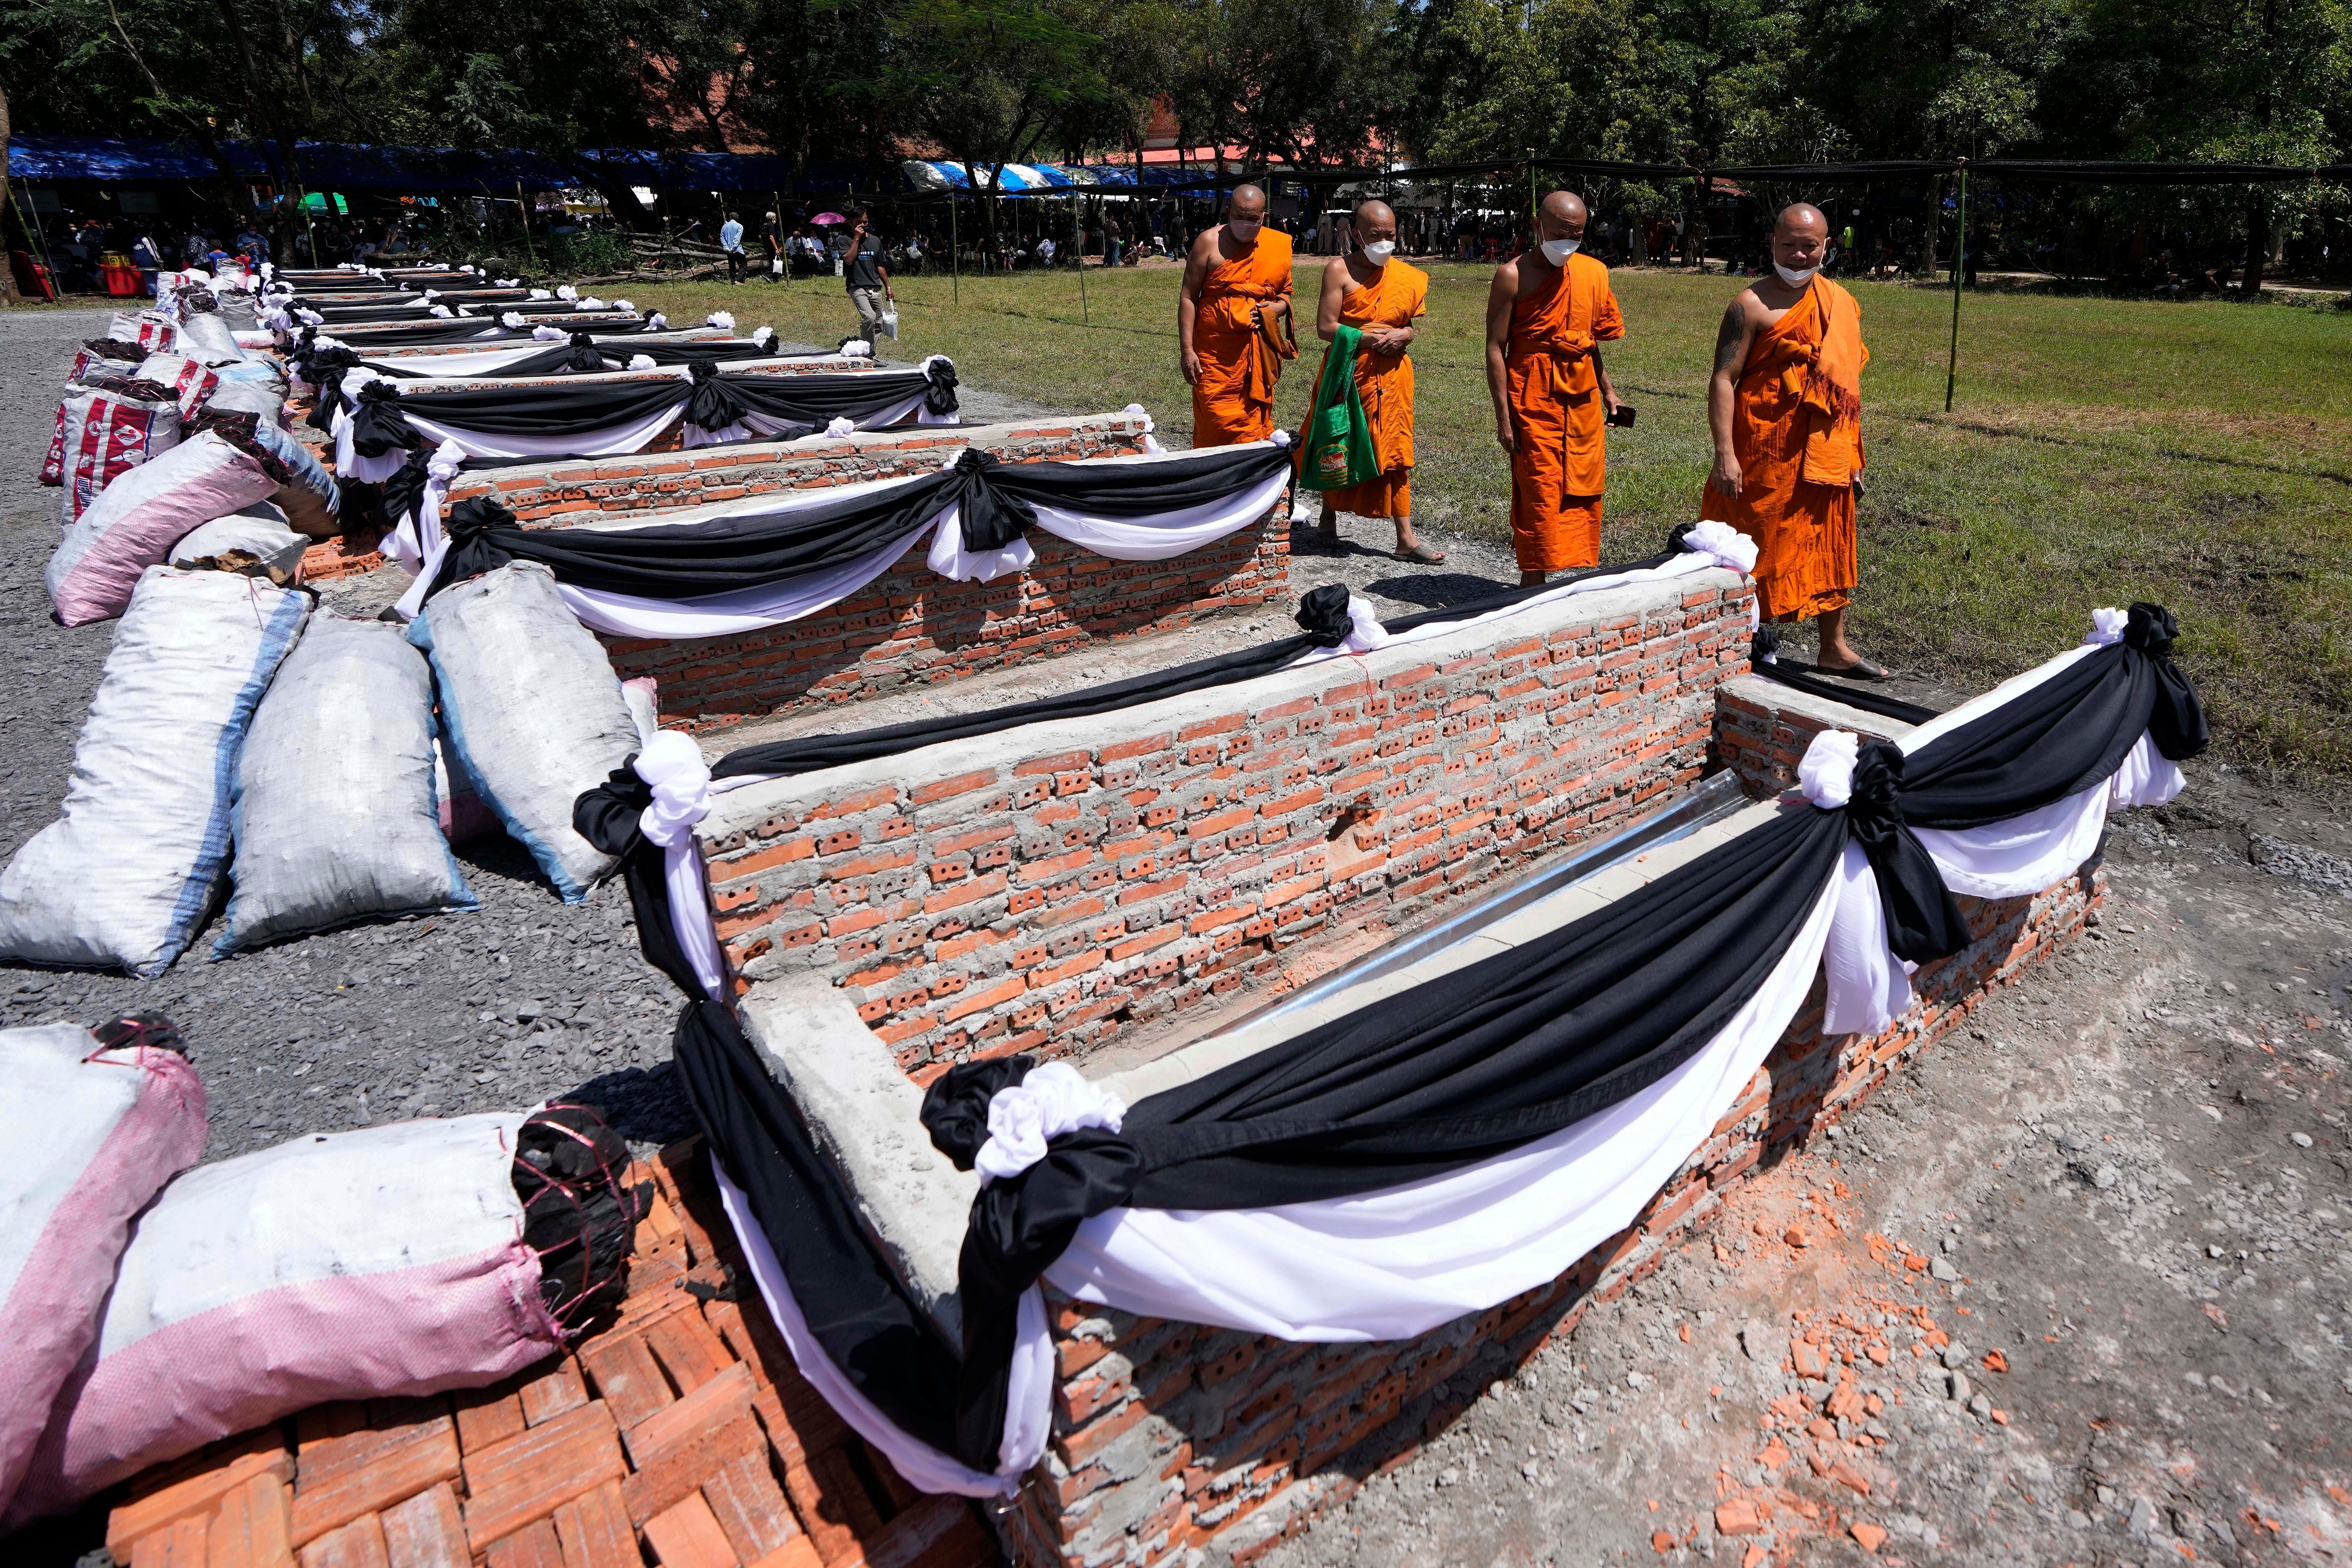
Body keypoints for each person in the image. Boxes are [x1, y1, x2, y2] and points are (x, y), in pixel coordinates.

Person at [1701, 203, 1878, 676]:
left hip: (1824, 442)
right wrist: (1725, 453)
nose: (1799, 255)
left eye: (1810, 246)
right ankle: (1740, 639)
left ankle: (1833, 647)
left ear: (1826, 246)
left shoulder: (1841, 302)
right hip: (1763, 443)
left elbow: (1845, 386)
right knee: (1751, 539)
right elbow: (1723, 378)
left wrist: (1853, 454)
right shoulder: (1749, 305)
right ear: (1772, 244)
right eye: (1789, 245)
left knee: (1828, 538)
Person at [1485, 190, 1625, 585]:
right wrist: (1504, 417)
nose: (1568, 242)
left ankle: (1569, 568)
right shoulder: (1513, 274)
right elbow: (1496, 348)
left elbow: (1587, 340)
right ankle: (1534, 578)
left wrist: (1609, 392)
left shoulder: (1594, 272)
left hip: (1581, 398)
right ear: (1537, 227)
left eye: (1576, 235)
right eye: (1560, 233)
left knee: (1581, 482)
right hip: (1532, 394)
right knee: (1540, 485)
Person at [1302, 200, 1443, 564]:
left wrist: (1405, 335)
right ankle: (1327, 518)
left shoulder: (1409, 277)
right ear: (1358, 235)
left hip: (1393, 375)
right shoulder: (1339, 270)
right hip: (1348, 372)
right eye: (1376, 235)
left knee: (1396, 452)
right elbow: (1325, 327)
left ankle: (1405, 539)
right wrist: (1371, 338)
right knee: (1340, 440)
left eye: (1390, 235)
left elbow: (1410, 324)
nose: (1384, 242)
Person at [1178, 184, 1295, 447]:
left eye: (1252, 219)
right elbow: (1188, 297)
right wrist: (1187, 350)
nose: (1245, 223)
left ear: (1264, 218)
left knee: (1253, 428)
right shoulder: (1209, 242)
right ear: (1229, 211)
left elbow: (1285, 293)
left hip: (1256, 351)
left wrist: (1277, 308)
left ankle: (1250, 483)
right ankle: (1216, 482)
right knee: (1216, 420)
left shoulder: (1276, 245)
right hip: (1214, 353)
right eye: (1239, 217)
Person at [843, 211, 894, 343]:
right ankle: (867, 354)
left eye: (865, 222)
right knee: (869, 317)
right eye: (859, 222)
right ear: (851, 223)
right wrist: (856, 239)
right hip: (857, 286)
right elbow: (849, 260)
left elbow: (880, 266)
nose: (863, 225)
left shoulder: (875, 241)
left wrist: (888, 287)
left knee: (879, 322)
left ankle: (870, 354)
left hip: (875, 287)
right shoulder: (845, 240)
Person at [719, 210, 746, 285]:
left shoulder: (725, 226)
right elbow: (737, 239)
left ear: (730, 217)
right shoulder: (740, 226)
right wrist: (732, 248)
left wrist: (726, 247)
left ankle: (733, 282)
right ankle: (739, 280)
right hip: (737, 250)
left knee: (732, 267)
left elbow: (722, 237)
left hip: (728, 250)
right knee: (743, 266)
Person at [759, 211, 782, 280]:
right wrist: (776, 248)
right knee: (776, 262)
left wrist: (765, 242)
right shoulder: (771, 225)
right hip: (772, 247)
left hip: (766, 247)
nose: (776, 219)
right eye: (775, 218)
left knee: (772, 262)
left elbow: (760, 236)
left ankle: (775, 279)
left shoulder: (763, 225)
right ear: (772, 218)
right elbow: (771, 237)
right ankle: (767, 275)